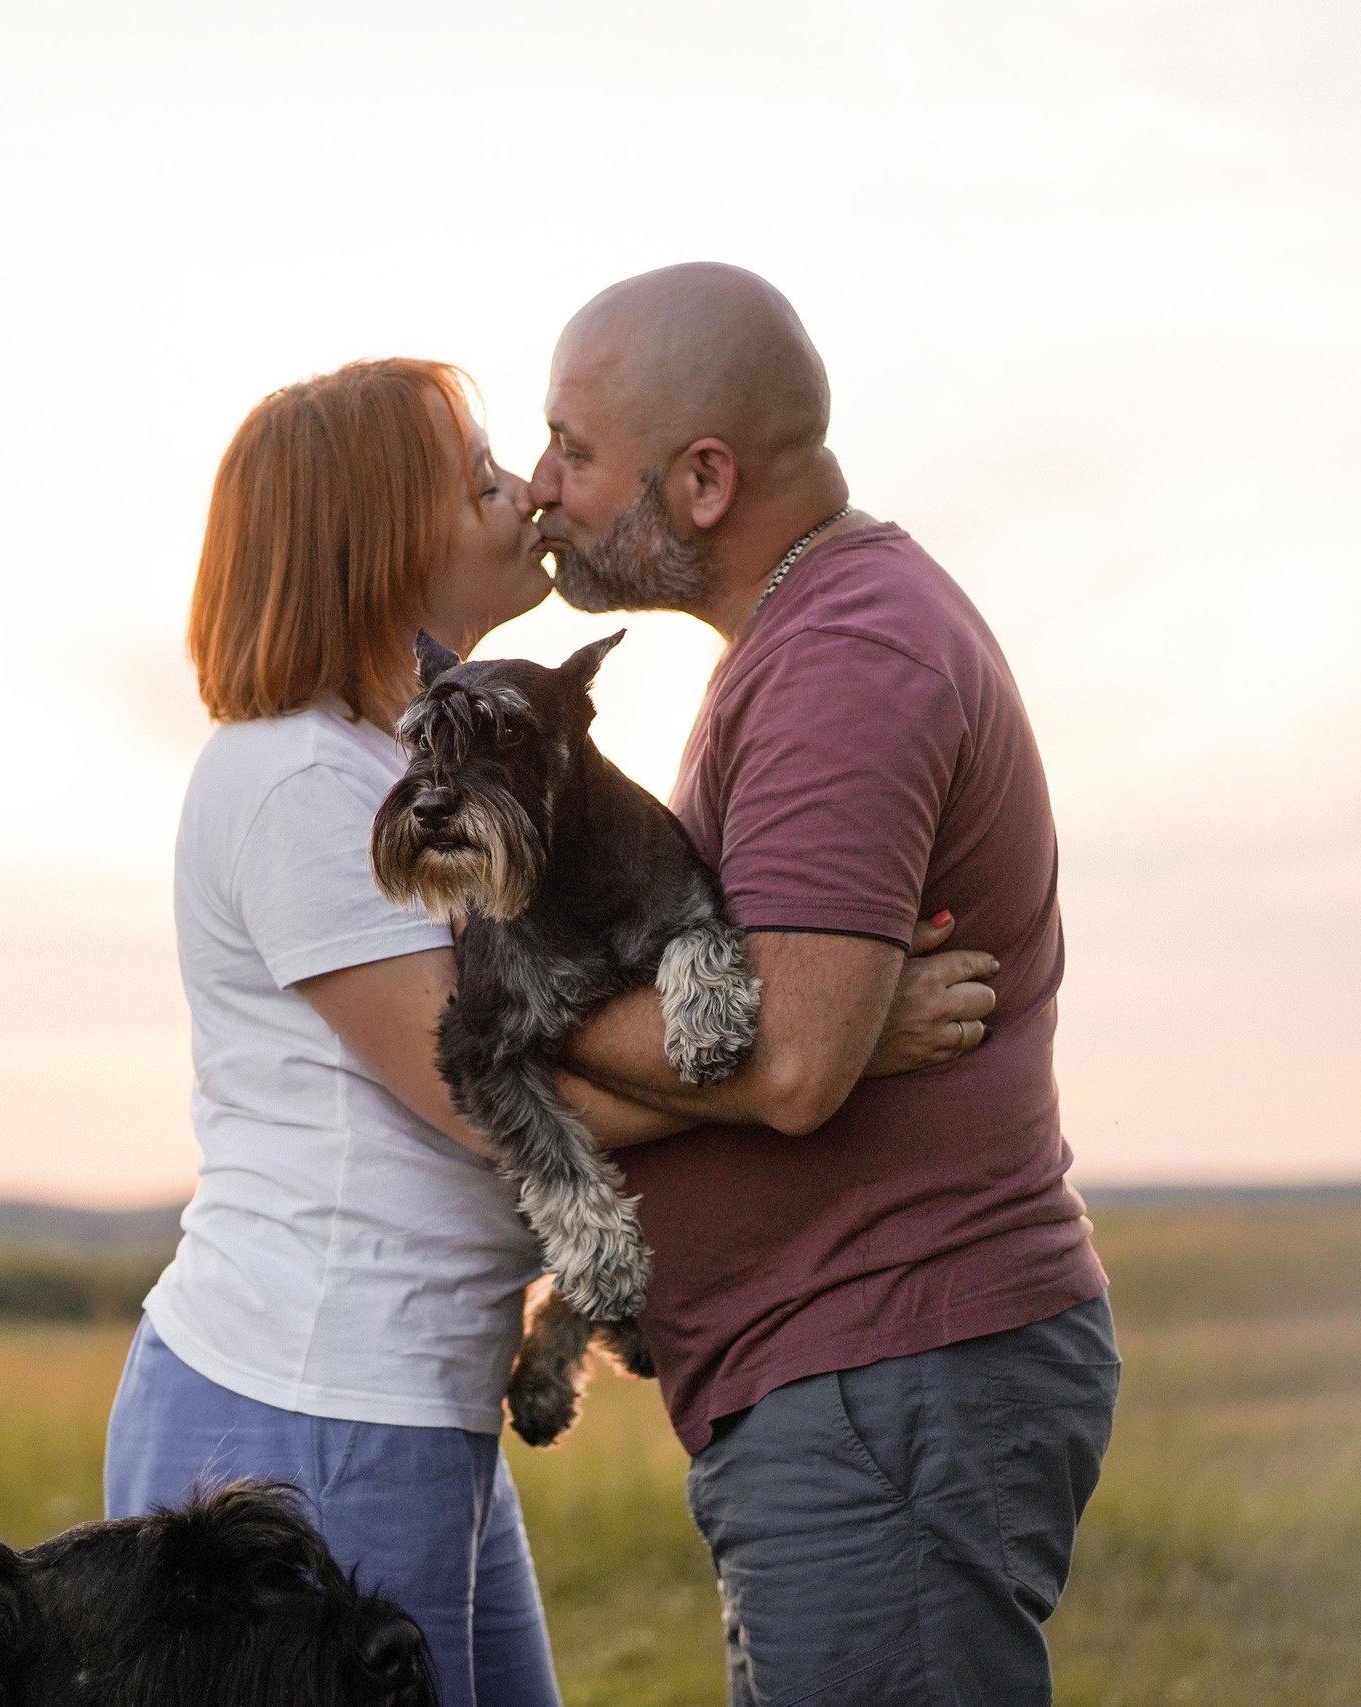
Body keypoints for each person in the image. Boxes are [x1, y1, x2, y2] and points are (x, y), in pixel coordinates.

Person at [103, 356, 999, 1707]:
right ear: (379, 543)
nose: (528, 491)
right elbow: (481, 1089)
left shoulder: (407, 763)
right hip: (312, 1409)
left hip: (416, 1397)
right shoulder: (299, 779)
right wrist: (823, 1044)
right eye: (480, 481)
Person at [532, 263, 1120, 1705]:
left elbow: (793, 1061)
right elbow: (798, 1034)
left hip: (888, 1369)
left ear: (704, 480)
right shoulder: (803, 639)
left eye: (574, 449)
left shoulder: (846, 658)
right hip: (856, 1378)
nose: (539, 486)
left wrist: (540, 1039)